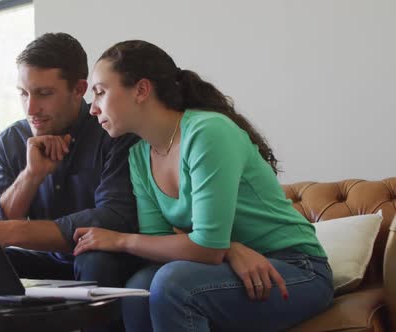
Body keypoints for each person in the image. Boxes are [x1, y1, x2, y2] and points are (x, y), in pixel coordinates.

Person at [73, 40, 334, 332]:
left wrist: (121, 239)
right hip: (228, 267)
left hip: (296, 268)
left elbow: (206, 248)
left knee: (173, 284)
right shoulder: (138, 155)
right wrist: (230, 248)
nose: (93, 108)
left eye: (100, 92)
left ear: (141, 90)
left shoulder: (207, 132)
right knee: (140, 288)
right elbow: (160, 241)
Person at [0, 33, 140, 328]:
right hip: (46, 260)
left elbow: (114, 216)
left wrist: (14, 231)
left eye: (44, 93)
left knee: (95, 257)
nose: (30, 109)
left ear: (79, 89)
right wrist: (31, 176)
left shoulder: (114, 134)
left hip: (106, 259)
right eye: (24, 93)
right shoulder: (11, 140)